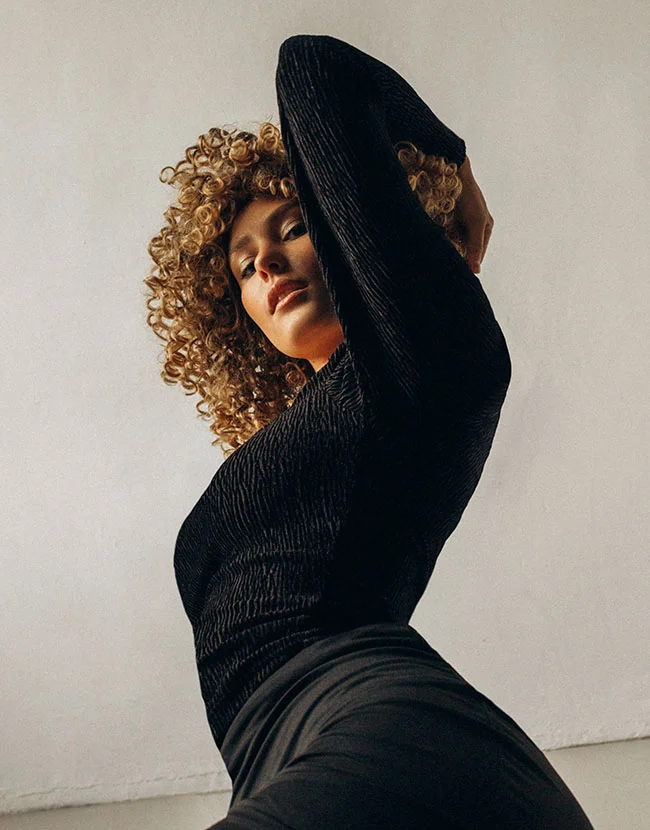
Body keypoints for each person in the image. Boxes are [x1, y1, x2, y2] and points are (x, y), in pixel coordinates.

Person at [145, 33, 593, 829]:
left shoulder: (421, 350)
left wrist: (454, 167)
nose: (269, 267)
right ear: (237, 316)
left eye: (290, 229)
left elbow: (311, 66)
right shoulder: (317, 433)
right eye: (245, 267)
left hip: (389, 734)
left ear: (347, 227)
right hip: (299, 756)